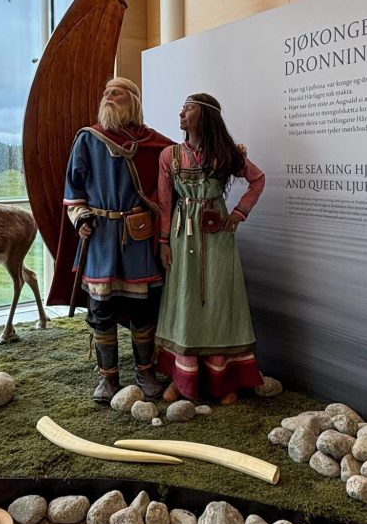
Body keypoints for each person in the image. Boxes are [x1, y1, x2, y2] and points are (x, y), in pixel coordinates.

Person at [49, 78, 171, 402]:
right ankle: (108, 379)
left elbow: (177, 171)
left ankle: (145, 373)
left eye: (114, 93)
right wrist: (81, 219)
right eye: (105, 93)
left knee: (143, 309)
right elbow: (73, 191)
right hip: (101, 238)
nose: (107, 96)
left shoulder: (153, 143)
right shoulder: (88, 139)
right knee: (100, 309)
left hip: (138, 237)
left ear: (132, 100)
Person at [155, 93, 265, 405]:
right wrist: (163, 242)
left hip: (218, 237)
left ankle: (222, 378)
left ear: (204, 115)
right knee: (184, 298)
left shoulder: (225, 153)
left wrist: (238, 214)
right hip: (182, 234)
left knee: (218, 298)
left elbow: (257, 179)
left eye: (187, 108)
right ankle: (182, 378)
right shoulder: (169, 156)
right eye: (182, 108)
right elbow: (164, 204)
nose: (181, 113)